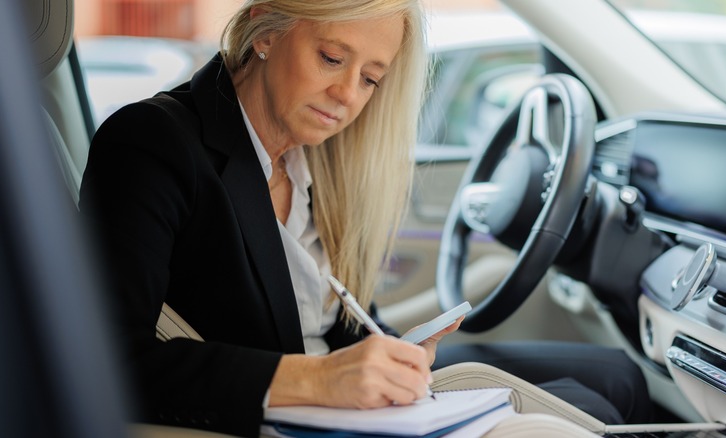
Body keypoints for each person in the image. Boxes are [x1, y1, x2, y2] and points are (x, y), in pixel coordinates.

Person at [78, 1, 650, 437]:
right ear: (266, 31)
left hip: (354, 402)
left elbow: (344, 321)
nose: (348, 95)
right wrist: (319, 379)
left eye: (372, 78)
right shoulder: (153, 142)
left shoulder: (313, 156)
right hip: (296, 412)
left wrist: (395, 350)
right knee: (593, 407)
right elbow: (104, 360)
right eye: (331, 58)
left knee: (622, 375)